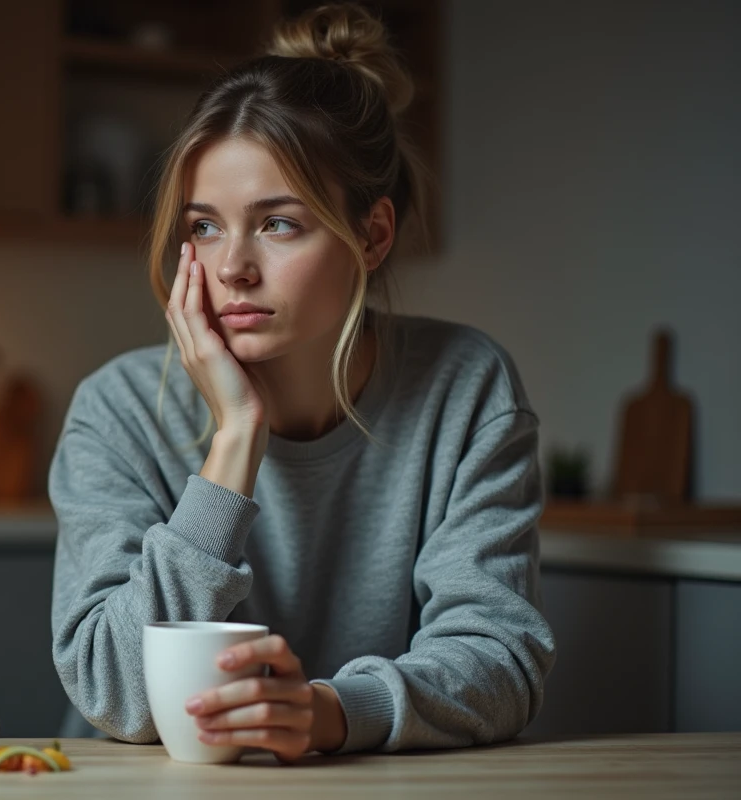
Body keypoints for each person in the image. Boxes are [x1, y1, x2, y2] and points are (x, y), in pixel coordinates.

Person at [48, 2, 555, 761]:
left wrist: (326, 712)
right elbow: (113, 690)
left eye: (279, 223)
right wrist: (235, 442)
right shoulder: (116, 412)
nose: (232, 268)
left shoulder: (467, 388)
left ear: (371, 234)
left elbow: (500, 660)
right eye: (204, 226)